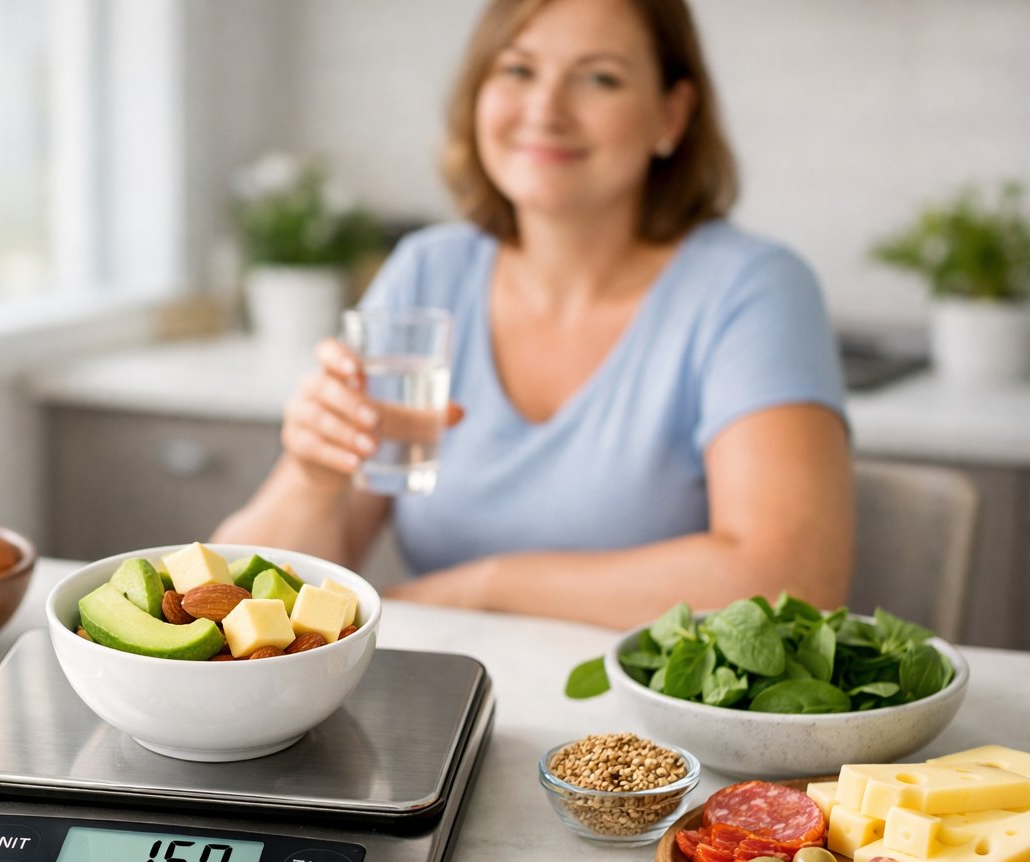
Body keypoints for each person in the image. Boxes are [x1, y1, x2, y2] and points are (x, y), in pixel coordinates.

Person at [212, 0, 854, 629]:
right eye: (517, 71)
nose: (545, 112)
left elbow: (793, 577)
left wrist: (482, 590)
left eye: (600, 78)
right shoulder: (427, 273)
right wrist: (312, 475)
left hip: (670, 723)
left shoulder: (751, 287)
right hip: (468, 700)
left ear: (671, 113)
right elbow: (246, 601)